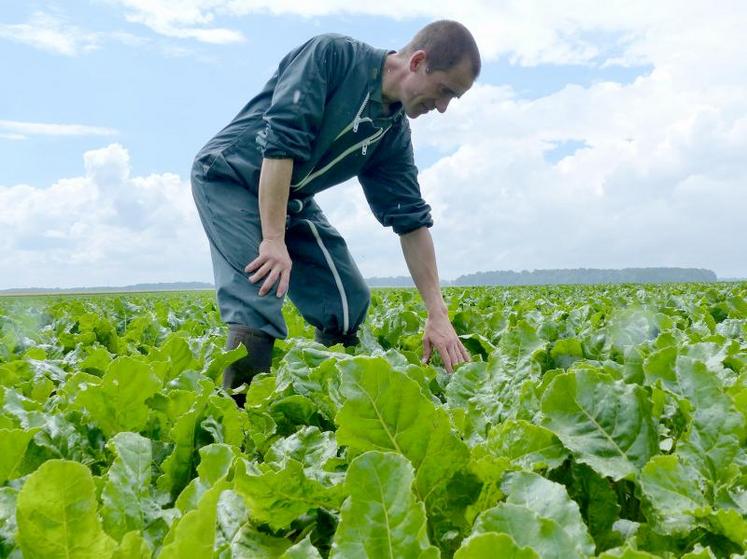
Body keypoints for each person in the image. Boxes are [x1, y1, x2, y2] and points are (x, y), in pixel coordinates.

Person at [191, 20, 480, 405]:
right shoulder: (332, 56)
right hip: (231, 176)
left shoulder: (391, 133)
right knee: (258, 291)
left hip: (291, 193)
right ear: (419, 62)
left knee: (346, 300)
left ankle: (323, 403)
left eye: (452, 100)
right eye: (444, 90)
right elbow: (282, 143)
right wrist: (273, 240)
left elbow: (410, 220)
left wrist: (437, 313)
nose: (442, 108)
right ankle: (234, 423)